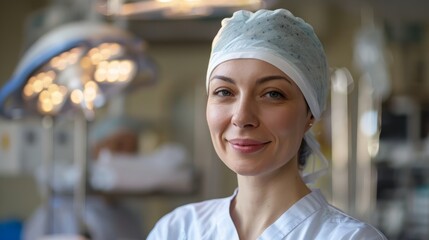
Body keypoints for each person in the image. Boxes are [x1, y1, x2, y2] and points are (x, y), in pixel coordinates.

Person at [147, 8, 388, 239]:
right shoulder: (178, 230)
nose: (242, 117)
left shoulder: (350, 238)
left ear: (310, 114)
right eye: (224, 92)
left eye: (272, 94)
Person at [23, 116, 144, 240]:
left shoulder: (130, 218)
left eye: (133, 149)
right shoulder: (56, 213)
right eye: (119, 146)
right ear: (96, 148)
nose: (126, 155)